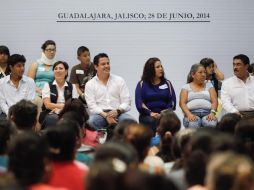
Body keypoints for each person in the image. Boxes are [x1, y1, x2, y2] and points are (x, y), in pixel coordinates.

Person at [85, 53, 134, 129]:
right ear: (96, 67)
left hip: (118, 112)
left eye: (108, 63)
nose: (107, 66)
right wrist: (106, 115)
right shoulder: (90, 84)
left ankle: (121, 140)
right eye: (103, 64)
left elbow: (127, 101)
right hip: (100, 115)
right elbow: (92, 106)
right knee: (90, 122)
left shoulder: (119, 80)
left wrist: (117, 111)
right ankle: (100, 139)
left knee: (131, 121)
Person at [135, 57, 176, 133]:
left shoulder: (167, 83)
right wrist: (150, 113)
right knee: (152, 121)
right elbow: (139, 104)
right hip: (148, 115)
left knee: (171, 121)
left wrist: (164, 113)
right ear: (150, 70)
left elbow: (172, 102)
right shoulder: (142, 84)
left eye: (161, 66)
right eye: (157, 67)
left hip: (165, 114)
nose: (161, 69)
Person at [40, 61, 79, 128]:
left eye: (60, 68)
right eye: (55, 69)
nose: (58, 70)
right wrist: (64, 106)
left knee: (72, 119)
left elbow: (74, 105)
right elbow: (47, 105)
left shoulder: (72, 86)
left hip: (68, 112)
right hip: (51, 112)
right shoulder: (47, 85)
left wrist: (60, 108)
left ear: (66, 72)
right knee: (52, 119)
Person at [179, 64, 218, 128]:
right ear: (193, 75)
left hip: (208, 114)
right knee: (193, 125)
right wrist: (189, 114)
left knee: (212, 124)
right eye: (200, 72)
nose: (203, 74)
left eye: (205, 72)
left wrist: (212, 113)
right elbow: (182, 103)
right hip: (191, 113)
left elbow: (215, 101)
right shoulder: (186, 87)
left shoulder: (209, 85)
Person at [0, 54, 36, 119]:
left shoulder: (30, 82)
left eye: (23, 65)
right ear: (11, 67)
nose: (22, 68)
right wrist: (10, 114)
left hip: (25, 114)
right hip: (7, 114)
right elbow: (2, 103)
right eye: (19, 66)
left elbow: (30, 101)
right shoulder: (2, 82)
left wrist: (19, 115)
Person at [221, 54, 254, 118]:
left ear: (246, 66)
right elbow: (225, 102)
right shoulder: (227, 83)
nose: (235, 67)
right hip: (236, 114)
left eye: (238, 64)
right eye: (234, 64)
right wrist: (235, 112)